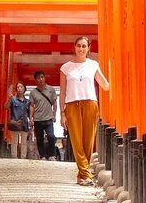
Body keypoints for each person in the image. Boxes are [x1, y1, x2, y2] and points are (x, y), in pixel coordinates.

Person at [59, 35, 110, 184]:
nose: (81, 49)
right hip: (72, 105)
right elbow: (62, 91)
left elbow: (105, 85)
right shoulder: (65, 67)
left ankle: (82, 175)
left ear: (88, 49)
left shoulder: (93, 65)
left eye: (84, 46)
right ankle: (86, 174)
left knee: (88, 142)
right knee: (76, 141)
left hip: (90, 104)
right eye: (79, 46)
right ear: (74, 47)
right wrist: (62, 113)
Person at [27, 71, 60, 160]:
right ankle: (42, 155)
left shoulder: (51, 89)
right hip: (37, 118)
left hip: (49, 117)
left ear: (44, 78)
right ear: (36, 80)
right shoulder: (33, 92)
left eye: (42, 77)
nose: (41, 79)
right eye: (38, 78)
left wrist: (54, 114)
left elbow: (55, 103)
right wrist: (31, 118)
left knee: (51, 136)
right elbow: (31, 106)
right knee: (39, 138)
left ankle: (52, 155)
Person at [6, 80, 32, 159]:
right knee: (14, 141)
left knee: (24, 142)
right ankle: (14, 157)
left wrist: (31, 120)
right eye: (18, 87)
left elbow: (30, 113)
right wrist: (9, 99)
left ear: (24, 89)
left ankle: (23, 157)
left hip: (24, 124)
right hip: (15, 123)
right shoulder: (13, 99)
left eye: (21, 87)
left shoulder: (28, 101)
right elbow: (6, 107)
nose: (19, 88)